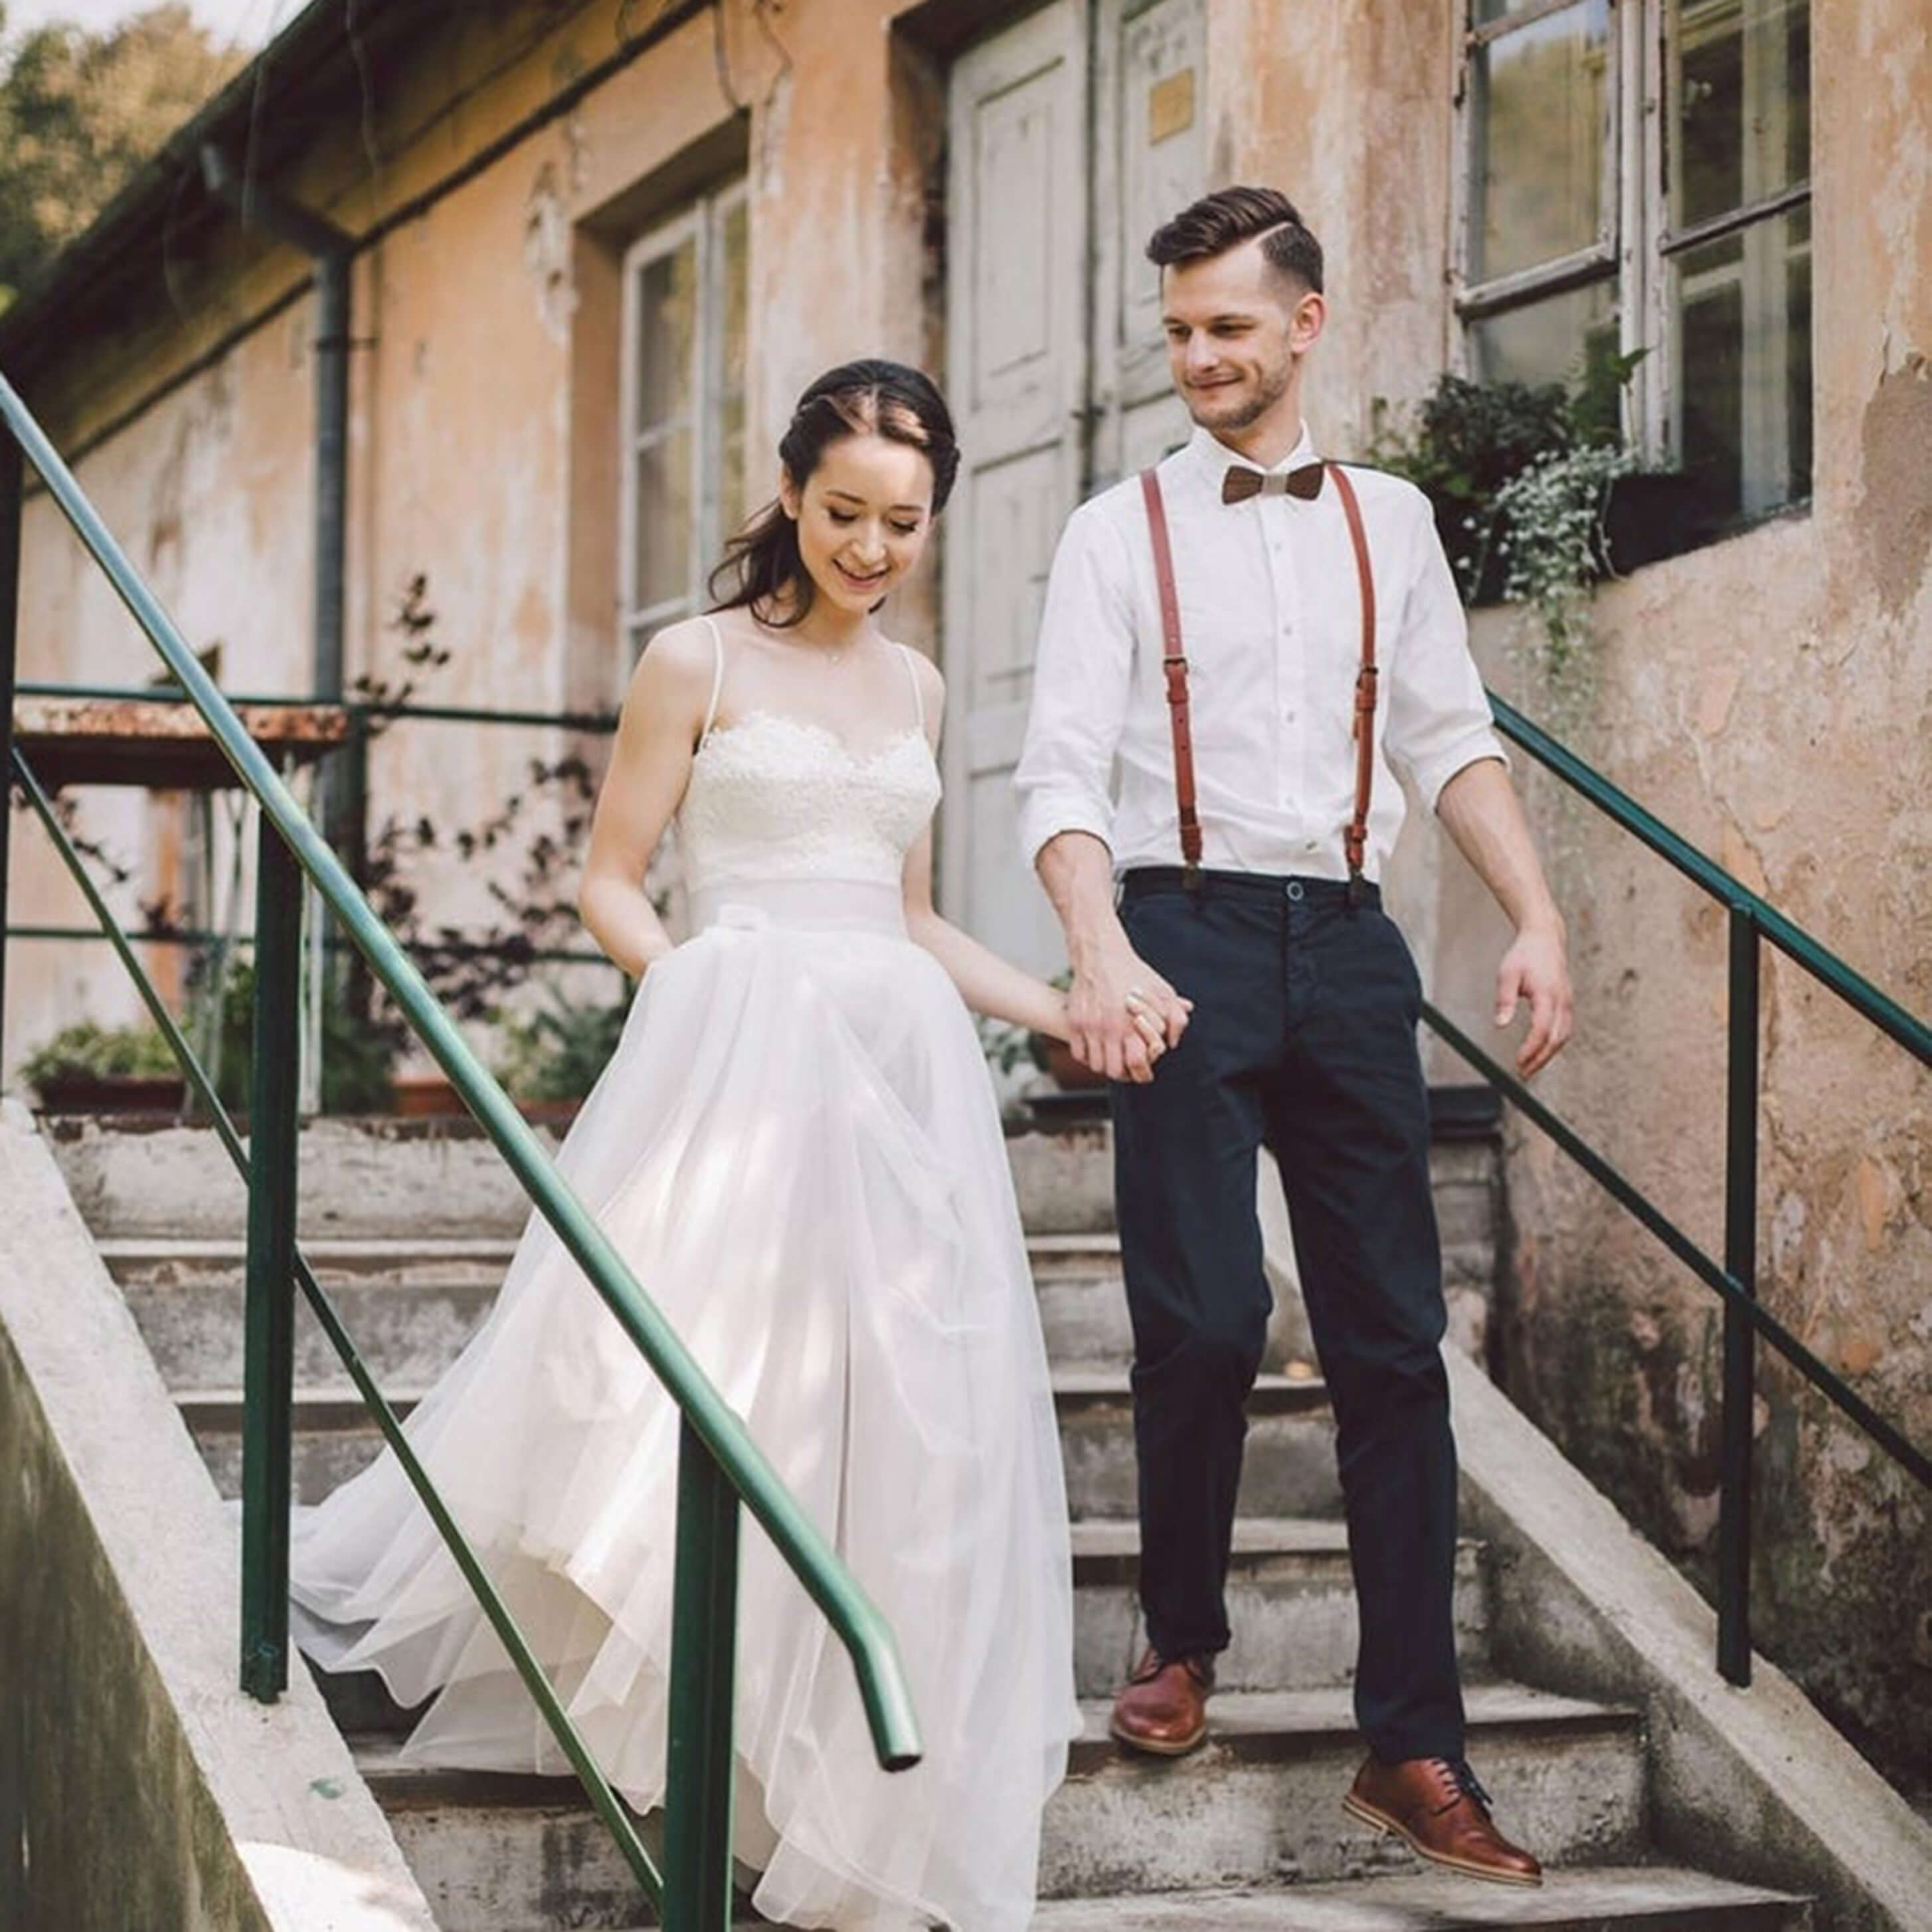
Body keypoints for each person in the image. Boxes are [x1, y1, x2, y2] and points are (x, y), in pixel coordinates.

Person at [290, 360, 1104, 1932]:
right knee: (695, 1398)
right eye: (847, 512)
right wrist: (703, 998)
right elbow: (612, 877)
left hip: (900, 1080)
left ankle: (841, 1778)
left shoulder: (923, 691)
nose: (872, 547)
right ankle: (700, 1722)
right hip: (740, 1054)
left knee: (890, 1422)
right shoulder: (699, 661)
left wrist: (1061, 1014)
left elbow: (917, 917)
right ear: (792, 494)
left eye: (905, 522)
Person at [1013, 189, 1573, 1888]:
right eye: (1180, 331)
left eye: (1229, 330)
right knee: (1202, 1321)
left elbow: (1446, 733)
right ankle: (1180, 1636)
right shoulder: (1118, 531)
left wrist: (1535, 914)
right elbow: (1056, 774)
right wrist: (1099, 950)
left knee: (1395, 1350)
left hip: (1344, 944)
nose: (1197, 359)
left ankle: (1413, 1743)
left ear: (1308, 324)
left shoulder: (1389, 521)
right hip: (1173, 930)